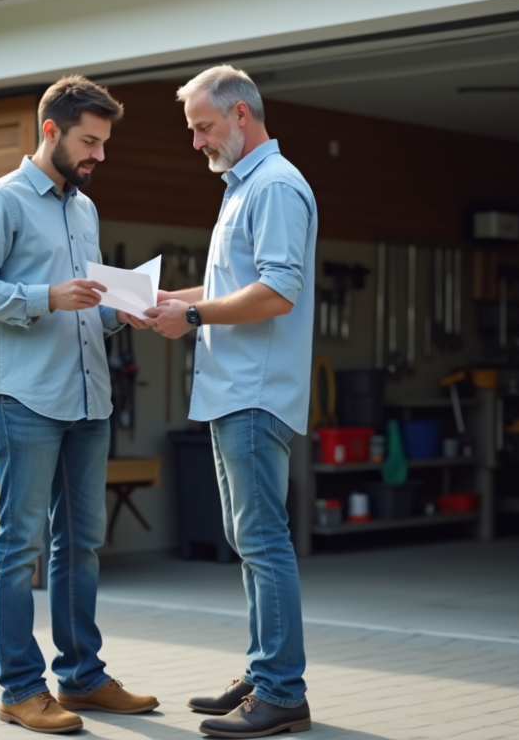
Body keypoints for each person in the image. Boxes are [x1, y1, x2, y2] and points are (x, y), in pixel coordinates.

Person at [0, 75, 157, 734]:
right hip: (25, 399)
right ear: (51, 132)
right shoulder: (0, 201)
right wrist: (45, 296)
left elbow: (85, 307)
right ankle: (18, 688)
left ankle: (82, 678)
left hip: (87, 400)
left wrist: (127, 312)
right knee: (20, 547)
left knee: (82, 545)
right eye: (88, 141)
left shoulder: (84, 210)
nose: (99, 154)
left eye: (104, 142)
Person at [146, 65, 317, 738]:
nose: (197, 142)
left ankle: (281, 691)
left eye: (204, 128)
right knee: (248, 540)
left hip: (253, 394)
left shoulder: (275, 186)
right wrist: (167, 303)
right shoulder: (243, 188)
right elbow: (233, 288)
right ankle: (263, 673)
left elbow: (278, 291)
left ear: (242, 114)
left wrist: (192, 319)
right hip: (231, 393)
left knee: (263, 540)